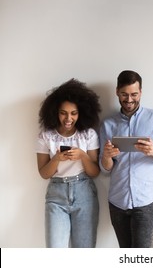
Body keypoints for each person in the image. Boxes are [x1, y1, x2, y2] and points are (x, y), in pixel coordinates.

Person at [99, 70, 153, 248]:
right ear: (117, 91)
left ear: (141, 92)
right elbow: (105, 168)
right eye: (124, 94)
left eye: (134, 94)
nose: (129, 99)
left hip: (146, 199)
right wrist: (107, 156)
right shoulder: (107, 125)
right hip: (118, 200)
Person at [36, 79, 101, 248]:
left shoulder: (89, 134)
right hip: (56, 195)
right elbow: (43, 173)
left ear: (81, 113)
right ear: (55, 112)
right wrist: (56, 158)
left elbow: (95, 172)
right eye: (63, 113)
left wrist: (82, 156)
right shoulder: (46, 136)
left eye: (74, 113)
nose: (68, 118)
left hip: (84, 192)